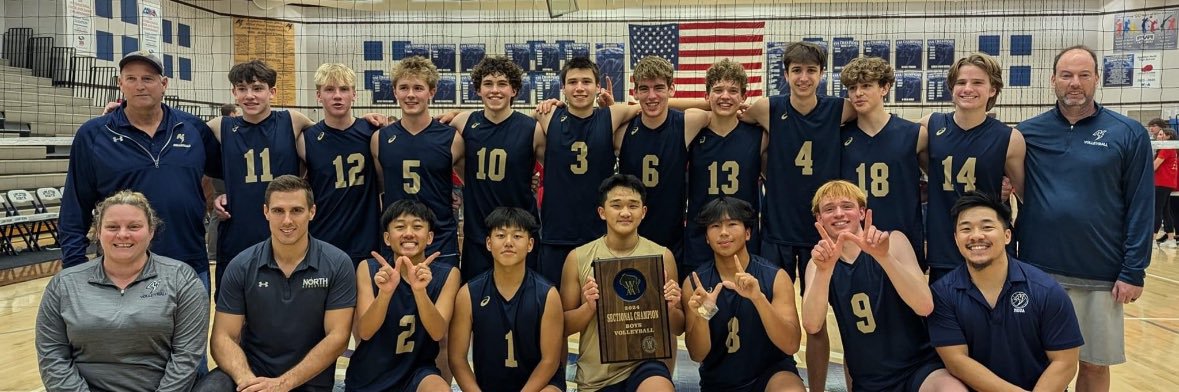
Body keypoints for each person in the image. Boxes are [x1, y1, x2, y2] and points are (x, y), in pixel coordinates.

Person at [1016, 45, 1153, 392]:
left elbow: (1140, 205)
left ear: (1097, 79)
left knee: (1093, 365)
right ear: (1053, 81)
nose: (1074, 83)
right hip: (1038, 272)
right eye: (1066, 75)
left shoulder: (1128, 132)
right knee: (1042, 364)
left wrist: (1133, 269)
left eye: (1083, 75)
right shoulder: (1027, 132)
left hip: (1101, 273)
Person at [734, 41, 855, 391]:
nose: (804, 78)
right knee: (771, 315)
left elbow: (877, 110)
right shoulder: (768, 108)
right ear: (785, 74)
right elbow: (719, 105)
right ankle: (773, 379)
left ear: (821, 74)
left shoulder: (840, 109)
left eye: (811, 71)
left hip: (824, 236)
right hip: (778, 232)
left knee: (820, 322)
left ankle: (817, 388)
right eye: (797, 71)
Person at [58, 51, 221, 291]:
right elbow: (75, 205)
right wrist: (74, 265)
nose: (139, 86)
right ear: (120, 83)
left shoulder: (192, 127)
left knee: (193, 331)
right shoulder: (93, 135)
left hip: (189, 263)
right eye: (131, 78)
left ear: (163, 84)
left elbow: (226, 171)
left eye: (148, 79)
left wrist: (221, 195)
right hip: (122, 270)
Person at [801, 180, 965, 392]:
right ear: (819, 219)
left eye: (847, 206)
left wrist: (884, 258)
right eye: (829, 209)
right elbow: (812, 325)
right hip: (869, 379)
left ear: (862, 212)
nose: (839, 213)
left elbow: (924, 306)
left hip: (919, 368)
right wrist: (824, 272)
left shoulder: (893, 241)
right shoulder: (818, 264)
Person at [38, 191, 209, 391]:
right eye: (112, 227)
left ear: (151, 231)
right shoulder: (64, 284)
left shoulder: (182, 279)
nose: (122, 234)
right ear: (98, 232)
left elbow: (186, 357)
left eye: (134, 226)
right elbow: (52, 356)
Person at [199, 175, 356, 392]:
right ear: (266, 212)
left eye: (297, 211)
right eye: (278, 211)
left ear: (312, 212)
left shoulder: (337, 263)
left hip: (309, 379)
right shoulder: (242, 265)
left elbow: (338, 337)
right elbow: (222, 337)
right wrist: (249, 382)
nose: (287, 221)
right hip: (253, 374)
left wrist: (283, 384)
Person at [929, 191, 1083, 391]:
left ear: (1007, 235)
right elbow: (957, 362)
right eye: (966, 229)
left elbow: (1065, 362)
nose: (976, 235)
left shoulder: (1045, 290)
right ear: (956, 239)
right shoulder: (942, 294)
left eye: (987, 227)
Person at [561, 174, 684, 391]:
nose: (625, 212)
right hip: (596, 376)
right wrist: (588, 308)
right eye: (616, 205)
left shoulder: (662, 256)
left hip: (646, 365)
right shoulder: (578, 257)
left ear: (643, 212)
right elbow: (563, 325)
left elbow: (679, 327)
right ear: (602, 212)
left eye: (633, 205)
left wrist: (670, 308)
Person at [923, 53, 1026, 284]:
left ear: (993, 90)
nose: (968, 88)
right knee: (945, 318)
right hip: (944, 249)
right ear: (952, 88)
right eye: (961, 82)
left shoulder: (1009, 138)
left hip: (989, 249)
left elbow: (1023, 194)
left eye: (977, 82)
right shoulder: (931, 125)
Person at [683, 197, 804, 392]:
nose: (724, 233)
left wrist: (758, 298)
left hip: (771, 374)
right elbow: (697, 354)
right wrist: (703, 314)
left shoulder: (776, 277)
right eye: (715, 226)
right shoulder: (694, 284)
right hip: (719, 380)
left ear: (747, 233)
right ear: (706, 237)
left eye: (732, 224)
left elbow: (791, 345)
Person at [532, 57, 633, 287]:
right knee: (555, 305)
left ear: (598, 87)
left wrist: (712, 106)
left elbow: (654, 104)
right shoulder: (548, 116)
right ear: (563, 88)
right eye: (573, 82)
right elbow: (514, 126)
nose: (579, 88)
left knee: (598, 305)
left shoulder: (611, 115)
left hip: (599, 234)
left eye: (587, 82)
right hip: (556, 234)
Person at [446, 56, 545, 281]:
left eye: (502, 84)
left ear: (514, 90)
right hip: (478, 234)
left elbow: (557, 168)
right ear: (478, 90)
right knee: (475, 300)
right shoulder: (463, 122)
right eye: (488, 84)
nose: (495, 90)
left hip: (519, 232)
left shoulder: (532, 129)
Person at [346, 199, 461, 391]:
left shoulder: (448, 274)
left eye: (417, 226)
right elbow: (365, 332)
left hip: (417, 372)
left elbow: (437, 332)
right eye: (400, 227)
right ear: (387, 238)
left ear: (430, 237)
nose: (409, 233)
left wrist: (420, 291)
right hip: (371, 373)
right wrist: (385, 293)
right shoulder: (368, 268)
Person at [448, 207, 565, 392]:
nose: (508, 243)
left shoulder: (547, 294)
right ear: (488, 243)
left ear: (530, 244)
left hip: (540, 386)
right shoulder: (468, 294)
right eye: (501, 236)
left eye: (517, 236)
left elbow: (549, 361)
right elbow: (457, 358)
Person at [616, 56, 711, 263]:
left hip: (672, 238)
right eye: (644, 89)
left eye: (659, 87)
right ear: (635, 92)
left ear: (672, 89)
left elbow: (716, 104)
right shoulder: (622, 130)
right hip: (629, 236)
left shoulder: (687, 123)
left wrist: (651, 102)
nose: (651, 96)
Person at [837, 56, 926, 270]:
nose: (858, 93)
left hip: (901, 240)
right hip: (855, 242)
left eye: (866, 86)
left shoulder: (915, 134)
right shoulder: (838, 138)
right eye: (852, 88)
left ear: (884, 88)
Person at [374, 56, 464, 267]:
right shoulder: (380, 139)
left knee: (440, 298)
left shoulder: (452, 138)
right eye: (404, 88)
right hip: (397, 241)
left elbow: (473, 182)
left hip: (440, 238)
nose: (411, 95)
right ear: (395, 92)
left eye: (418, 88)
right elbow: (379, 186)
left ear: (431, 92)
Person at [682, 60, 766, 279]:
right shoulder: (693, 132)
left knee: (743, 299)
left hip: (742, 234)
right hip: (700, 232)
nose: (725, 96)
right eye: (718, 90)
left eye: (733, 91)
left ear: (743, 97)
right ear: (707, 95)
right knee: (700, 303)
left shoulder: (759, 135)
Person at [299, 63, 381, 264]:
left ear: (354, 94)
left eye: (344, 89)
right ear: (318, 95)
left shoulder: (373, 133)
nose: (337, 96)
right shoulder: (306, 139)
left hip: (367, 242)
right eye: (329, 89)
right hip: (323, 240)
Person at [1153, 128, 1178, 246]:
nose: (1158, 136)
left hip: (1160, 184)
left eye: (1161, 134)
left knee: (1156, 211)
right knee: (1165, 211)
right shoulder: (1172, 150)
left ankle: (1152, 240)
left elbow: (1154, 167)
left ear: (1168, 136)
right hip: (1167, 184)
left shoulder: (1166, 149)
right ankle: (1171, 239)